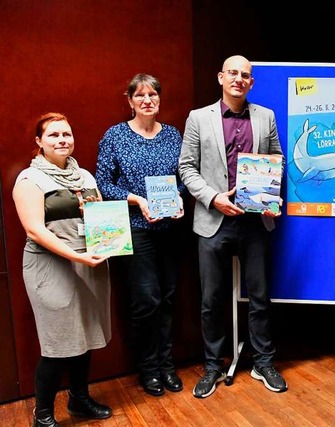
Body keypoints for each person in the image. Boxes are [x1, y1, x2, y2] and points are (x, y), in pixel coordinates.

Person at [178, 54, 287, 398]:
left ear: (251, 82)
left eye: (246, 75)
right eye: (233, 73)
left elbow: (276, 161)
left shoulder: (265, 116)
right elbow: (186, 168)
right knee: (211, 299)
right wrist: (212, 198)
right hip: (213, 220)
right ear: (221, 77)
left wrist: (272, 197)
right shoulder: (198, 118)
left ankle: (263, 361)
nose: (239, 79)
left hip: (255, 221)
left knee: (259, 297)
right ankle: (212, 365)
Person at [13, 113, 113, 427]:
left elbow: (99, 220)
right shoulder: (30, 179)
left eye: (66, 134)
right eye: (54, 135)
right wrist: (77, 256)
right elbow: (34, 231)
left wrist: (108, 241)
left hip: (89, 263)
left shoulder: (84, 176)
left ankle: (79, 400)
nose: (62, 140)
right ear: (39, 142)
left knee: (84, 332)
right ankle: (42, 415)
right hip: (50, 266)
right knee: (57, 342)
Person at [95, 73, 186, 397]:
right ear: (130, 100)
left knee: (168, 298)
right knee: (146, 299)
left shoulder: (174, 135)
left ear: (159, 99)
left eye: (153, 95)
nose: (147, 100)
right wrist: (137, 200)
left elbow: (184, 177)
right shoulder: (116, 136)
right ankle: (148, 370)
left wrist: (177, 198)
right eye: (140, 95)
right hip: (135, 229)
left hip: (170, 228)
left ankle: (167, 366)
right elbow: (102, 183)